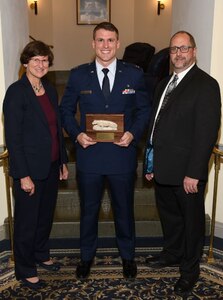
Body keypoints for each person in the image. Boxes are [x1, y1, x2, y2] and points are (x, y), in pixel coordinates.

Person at [60, 22, 150, 280]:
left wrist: (133, 133)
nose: (106, 45)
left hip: (123, 156)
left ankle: (127, 257)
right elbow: (65, 111)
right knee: (88, 212)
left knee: (125, 210)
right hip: (90, 157)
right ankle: (86, 257)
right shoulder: (78, 75)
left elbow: (144, 110)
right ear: (93, 44)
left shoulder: (133, 74)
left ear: (118, 43)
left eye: (110, 40)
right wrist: (77, 134)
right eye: (100, 40)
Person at [144, 31, 221, 297]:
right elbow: (155, 127)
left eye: (184, 48)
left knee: (191, 224)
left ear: (194, 51)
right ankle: (172, 254)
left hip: (187, 173)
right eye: (174, 49)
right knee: (170, 218)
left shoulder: (206, 85)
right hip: (163, 168)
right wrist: (150, 162)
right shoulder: (163, 83)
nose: (178, 53)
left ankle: (189, 272)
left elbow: (206, 133)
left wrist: (194, 173)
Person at [3, 40, 68, 290]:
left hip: (51, 166)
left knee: (44, 217)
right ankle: (25, 267)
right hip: (29, 171)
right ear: (25, 63)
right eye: (36, 60)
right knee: (27, 221)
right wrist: (23, 175)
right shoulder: (16, 92)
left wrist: (62, 160)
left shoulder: (49, 89)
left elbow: (56, 130)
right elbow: (14, 138)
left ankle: (41, 254)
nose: (41, 64)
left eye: (45, 60)